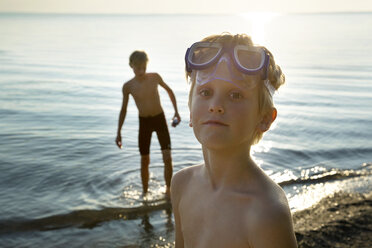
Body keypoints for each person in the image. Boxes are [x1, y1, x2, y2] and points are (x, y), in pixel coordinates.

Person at [171, 33, 297, 247]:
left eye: (235, 95)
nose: (216, 105)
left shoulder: (266, 212)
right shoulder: (182, 184)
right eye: (205, 92)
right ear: (190, 112)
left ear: (265, 118)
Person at [116, 50, 181, 196]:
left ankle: (168, 191)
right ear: (131, 65)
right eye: (138, 67)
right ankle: (145, 193)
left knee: (167, 157)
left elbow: (170, 91)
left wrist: (176, 112)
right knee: (144, 159)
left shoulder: (155, 77)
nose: (141, 70)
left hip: (159, 119)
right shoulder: (128, 86)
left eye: (143, 67)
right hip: (144, 122)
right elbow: (124, 109)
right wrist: (119, 132)